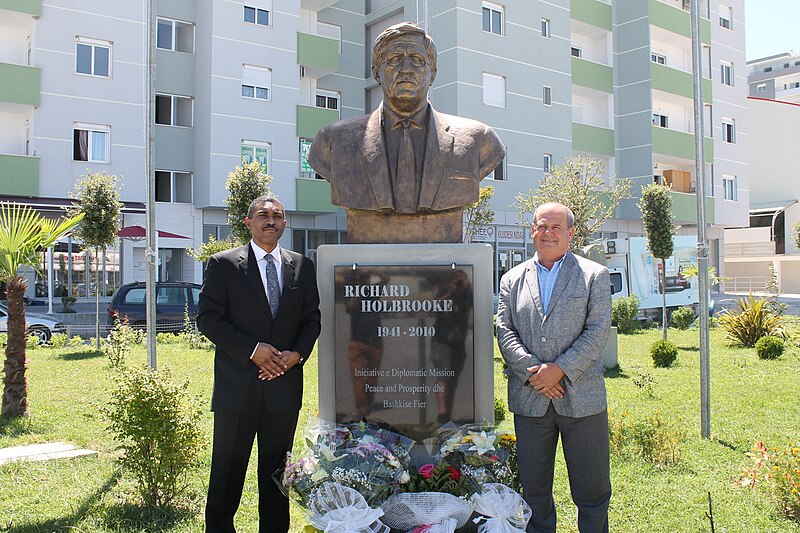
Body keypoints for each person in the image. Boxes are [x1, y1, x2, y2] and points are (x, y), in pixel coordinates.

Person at [307, 22, 505, 243]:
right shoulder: (333, 141)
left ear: (433, 73)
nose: (407, 69)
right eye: (394, 60)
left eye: (418, 60)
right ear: (377, 72)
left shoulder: (479, 139)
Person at [197, 194, 321, 533]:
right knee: (227, 471)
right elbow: (207, 319)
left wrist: (297, 354)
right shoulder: (223, 264)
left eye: (277, 216)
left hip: (283, 385)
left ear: (284, 223)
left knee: (277, 475)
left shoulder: (302, 265)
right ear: (248, 222)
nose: (271, 220)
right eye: (263, 215)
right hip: (237, 387)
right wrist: (253, 350)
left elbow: (312, 319)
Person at [496, 202, 612, 533]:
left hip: (582, 401)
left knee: (592, 493)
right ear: (532, 231)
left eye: (556, 227)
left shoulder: (594, 275)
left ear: (571, 233)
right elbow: (504, 331)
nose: (548, 233)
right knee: (534, 492)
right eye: (541, 226)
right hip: (530, 400)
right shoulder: (512, 279)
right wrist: (536, 374)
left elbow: (598, 331)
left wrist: (559, 369)